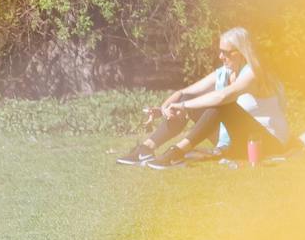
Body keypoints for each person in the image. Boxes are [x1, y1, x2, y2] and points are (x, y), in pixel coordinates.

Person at [116, 26, 290, 169]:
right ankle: (145, 149)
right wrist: (164, 108)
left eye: (225, 52)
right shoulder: (225, 72)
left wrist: (184, 106)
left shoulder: (253, 73)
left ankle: (176, 153)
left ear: (241, 52)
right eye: (220, 51)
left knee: (222, 104)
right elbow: (184, 93)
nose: (220, 57)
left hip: (265, 142)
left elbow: (223, 96)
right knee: (189, 100)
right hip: (236, 140)